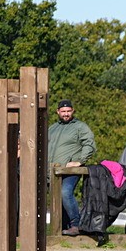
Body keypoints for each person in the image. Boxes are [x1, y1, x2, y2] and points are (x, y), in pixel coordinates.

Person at [47, 100, 96, 236]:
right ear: (58, 112)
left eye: (69, 111)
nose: (66, 114)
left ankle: (76, 224)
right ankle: (63, 227)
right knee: (56, 199)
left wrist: (79, 161)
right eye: (63, 111)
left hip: (70, 171)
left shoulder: (80, 127)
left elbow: (89, 145)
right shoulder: (52, 128)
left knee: (65, 193)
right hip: (52, 172)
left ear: (73, 111)